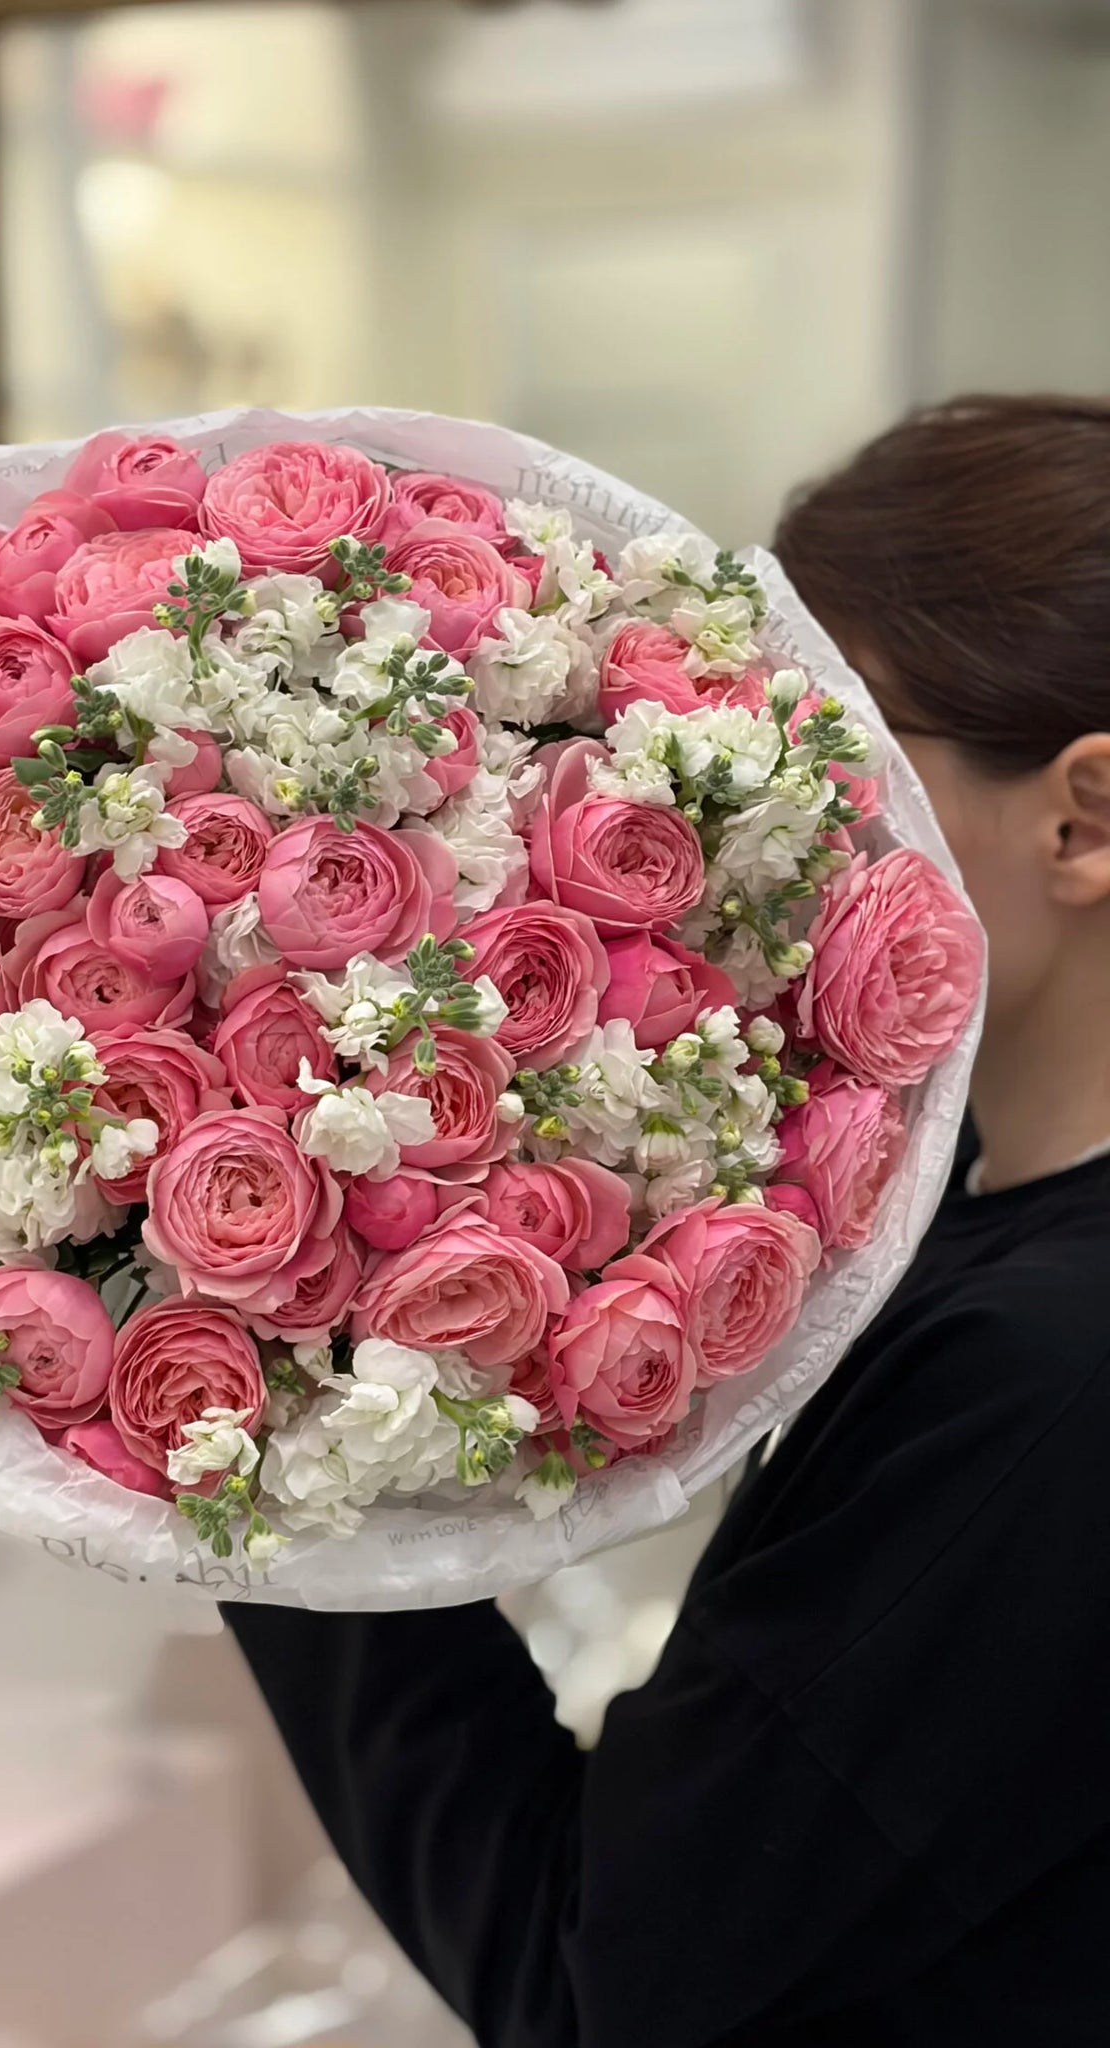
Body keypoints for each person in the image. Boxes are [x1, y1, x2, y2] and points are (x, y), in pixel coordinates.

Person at [223, 396, 1110, 2047]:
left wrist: (265, 1409)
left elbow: (594, 1987)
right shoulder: (987, 1235)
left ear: (1082, 818)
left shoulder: (1048, 1372)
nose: (786, 824)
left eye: (845, 756)